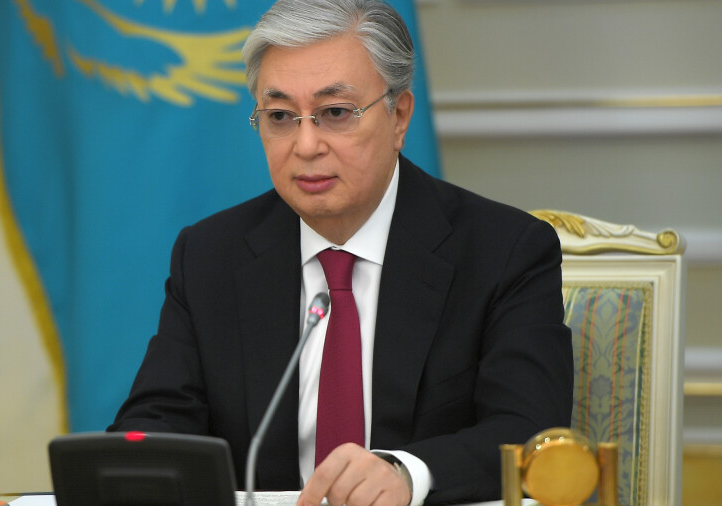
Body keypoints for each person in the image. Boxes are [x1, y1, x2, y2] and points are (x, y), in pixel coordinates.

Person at [108, 0, 573, 504]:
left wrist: (407, 473)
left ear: (399, 116)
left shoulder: (503, 251)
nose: (306, 145)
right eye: (280, 116)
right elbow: (157, 421)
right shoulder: (211, 255)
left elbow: (528, 432)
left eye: (335, 113)